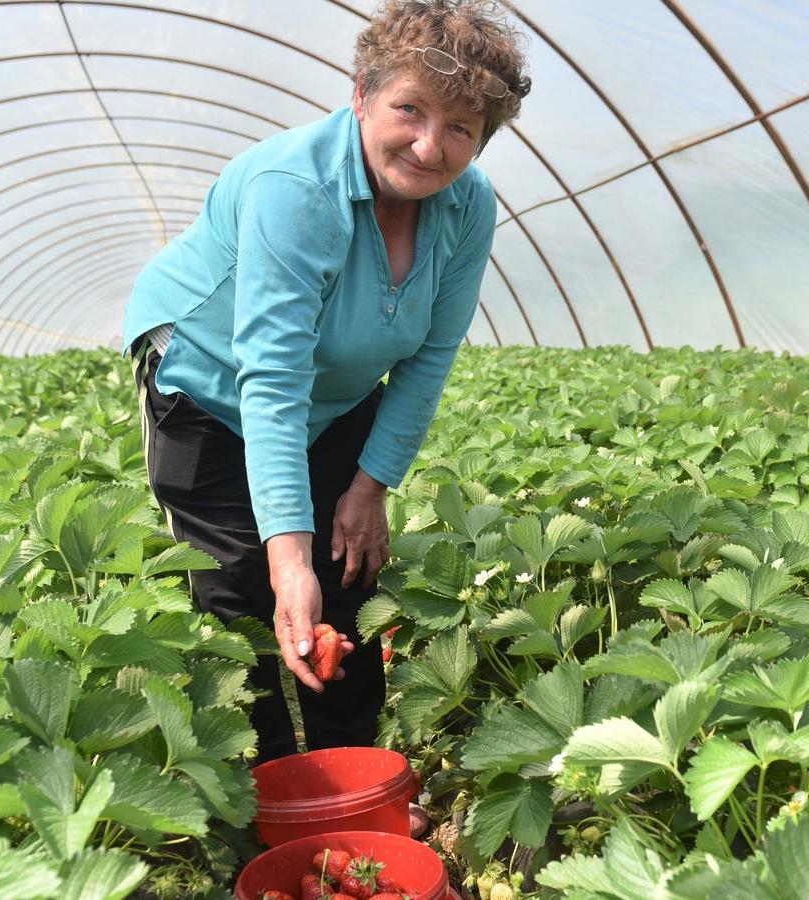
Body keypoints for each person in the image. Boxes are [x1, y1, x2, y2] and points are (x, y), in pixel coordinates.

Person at [121, 0, 530, 763]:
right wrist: (288, 558)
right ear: (362, 96)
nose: (428, 144)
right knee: (245, 585)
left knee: (349, 574)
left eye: (461, 128)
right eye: (409, 109)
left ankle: (355, 774)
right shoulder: (296, 189)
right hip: (212, 383)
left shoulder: (468, 207)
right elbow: (270, 379)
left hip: (337, 392)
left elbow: (429, 356)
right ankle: (265, 791)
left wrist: (369, 487)